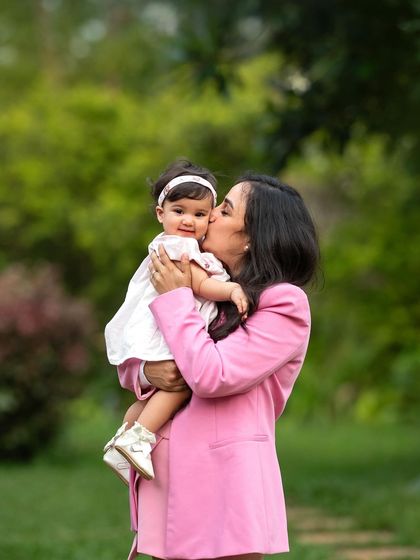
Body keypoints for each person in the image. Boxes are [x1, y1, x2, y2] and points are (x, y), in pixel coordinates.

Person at [118, 171, 319, 560]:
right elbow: (136, 348)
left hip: (224, 483)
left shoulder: (283, 304)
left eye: (224, 210)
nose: (209, 217)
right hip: (168, 476)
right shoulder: (205, 284)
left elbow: (213, 375)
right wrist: (146, 372)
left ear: (251, 238)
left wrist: (176, 297)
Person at [103, 161, 248, 483]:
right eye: (179, 211)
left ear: (209, 218)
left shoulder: (174, 244)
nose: (187, 220)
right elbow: (197, 283)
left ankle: (122, 442)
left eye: (199, 215)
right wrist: (229, 288)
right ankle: (138, 439)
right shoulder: (178, 247)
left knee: (155, 396)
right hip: (165, 331)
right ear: (160, 213)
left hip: (159, 329)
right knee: (180, 385)